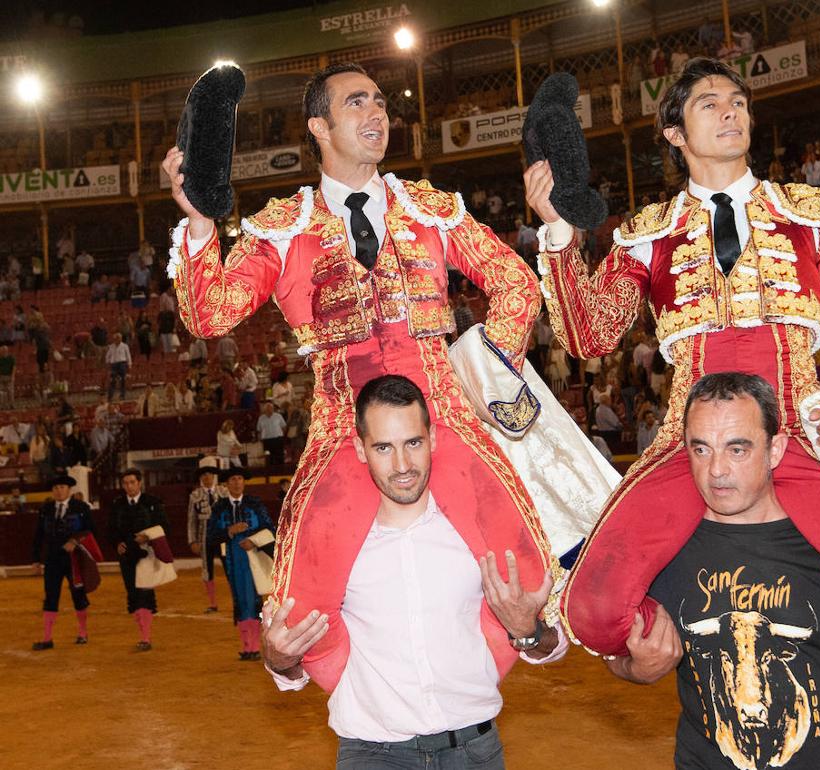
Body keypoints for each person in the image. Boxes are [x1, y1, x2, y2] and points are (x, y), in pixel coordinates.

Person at [165, 63, 555, 691]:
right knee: (300, 611)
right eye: (357, 103)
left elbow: (515, 284)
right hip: (341, 433)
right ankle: (364, 701)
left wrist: (478, 379)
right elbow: (211, 313)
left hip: (442, 421)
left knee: (525, 577)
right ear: (319, 125)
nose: (378, 114)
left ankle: (473, 680)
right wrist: (202, 223)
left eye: (380, 101)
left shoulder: (430, 209)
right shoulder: (281, 228)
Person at [529, 57, 820, 660]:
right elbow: (590, 335)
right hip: (691, 447)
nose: (730, 111)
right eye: (708, 104)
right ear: (675, 134)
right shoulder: (648, 234)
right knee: (595, 609)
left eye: (737, 101)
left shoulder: (810, 216)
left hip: (796, 434)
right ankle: (692, 618)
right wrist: (557, 229)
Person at [610, 373, 820, 770]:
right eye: (701, 450)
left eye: (737, 449)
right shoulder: (662, 548)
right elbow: (616, 654)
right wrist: (636, 669)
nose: (717, 471)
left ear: (775, 449)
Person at [262, 375, 565, 767]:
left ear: (433, 439)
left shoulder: (476, 533)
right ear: (360, 449)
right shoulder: (332, 548)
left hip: (474, 751)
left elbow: (553, 647)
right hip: (372, 753)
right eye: (383, 448)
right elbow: (291, 673)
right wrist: (277, 657)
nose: (402, 465)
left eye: (413, 443)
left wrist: (527, 631)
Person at [207, 466, 275, 660]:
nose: (236, 482)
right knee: (240, 599)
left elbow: (270, 528)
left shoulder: (254, 503)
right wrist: (229, 531)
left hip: (254, 557)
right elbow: (211, 536)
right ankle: (247, 646)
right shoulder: (219, 507)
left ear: (243, 482)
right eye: (232, 479)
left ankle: (253, 646)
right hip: (233, 559)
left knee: (253, 598)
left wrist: (252, 540)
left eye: (239, 479)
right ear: (226, 484)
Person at [108, 468, 170, 651]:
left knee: (143, 594)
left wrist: (148, 537)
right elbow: (110, 530)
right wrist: (117, 543)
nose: (129, 486)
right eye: (125, 483)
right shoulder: (117, 504)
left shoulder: (152, 502)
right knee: (133, 593)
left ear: (139, 483)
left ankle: (145, 637)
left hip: (146, 554)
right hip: (127, 555)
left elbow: (165, 526)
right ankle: (144, 634)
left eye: (132, 482)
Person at [31, 475, 96, 649]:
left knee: (78, 594)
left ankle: (83, 633)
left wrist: (75, 541)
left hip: (75, 559)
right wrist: (36, 559)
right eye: (55, 488)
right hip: (52, 559)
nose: (59, 491)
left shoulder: (81, 508)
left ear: (69, 489)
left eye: (62, 487)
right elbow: (38, 535)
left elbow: (90, 531)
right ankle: (47, 638)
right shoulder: (46, 509)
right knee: (50, 596)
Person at [187, 459, 225, 613]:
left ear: (214, 476)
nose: (207, 478)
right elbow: (191, 520)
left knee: (230, 568)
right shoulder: (195, 495)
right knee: (207, 570)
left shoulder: (224, 492)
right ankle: (213, 602)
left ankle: (237, 600)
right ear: (200, 478)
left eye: (209, 474)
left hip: (223, 537)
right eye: (204, 475)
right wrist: (192, 541)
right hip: (204, 538)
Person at [256, 401, 287, 466]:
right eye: (268, 408)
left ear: (273, 409)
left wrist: (281, 436)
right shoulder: (261, 418)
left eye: (271, 408)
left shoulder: (278, 416)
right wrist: (260, 439)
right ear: (265, 410)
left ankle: (281, 470)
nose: (269, 409)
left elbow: (284, 427)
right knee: (268, 457)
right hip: (267, 441)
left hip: (277, 439)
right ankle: (270, 472)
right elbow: (259, 430)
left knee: (279, 455)